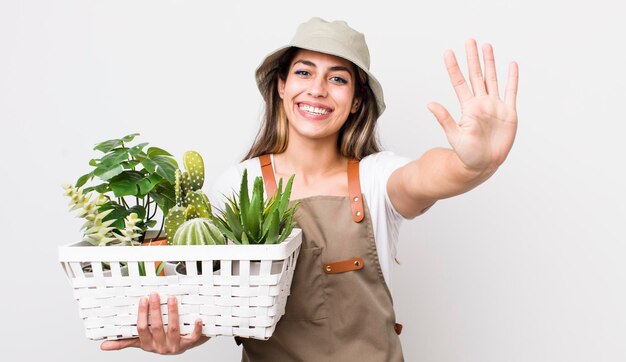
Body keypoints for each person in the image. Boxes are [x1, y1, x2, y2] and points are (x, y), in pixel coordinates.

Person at [101, 17, 518, 360]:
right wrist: (184, 335)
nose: (317, 89)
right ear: (281, 86)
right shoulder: (238, 186)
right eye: (304, 72)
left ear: (356, 101)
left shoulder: (375, 180)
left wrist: (473, 162)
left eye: (338, 79)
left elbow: (429, 175)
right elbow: (217, 303)